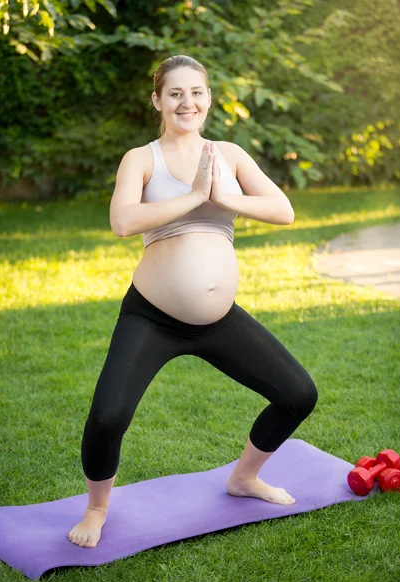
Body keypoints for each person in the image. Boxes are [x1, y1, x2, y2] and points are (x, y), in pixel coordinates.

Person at [68, 55, 318, 549]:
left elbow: (282, 210)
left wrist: (225, 198)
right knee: (107, 417)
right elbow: (123, 222)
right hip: (152, 317)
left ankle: (244, 478)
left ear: (208, 97)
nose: (188, 102)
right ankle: (97, 508)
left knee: (297, 394)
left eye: (197, 92)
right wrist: (194, 196)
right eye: (176, 93)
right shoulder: (141, 159)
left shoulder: (229, 153)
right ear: (158, 101)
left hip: (218, 319)